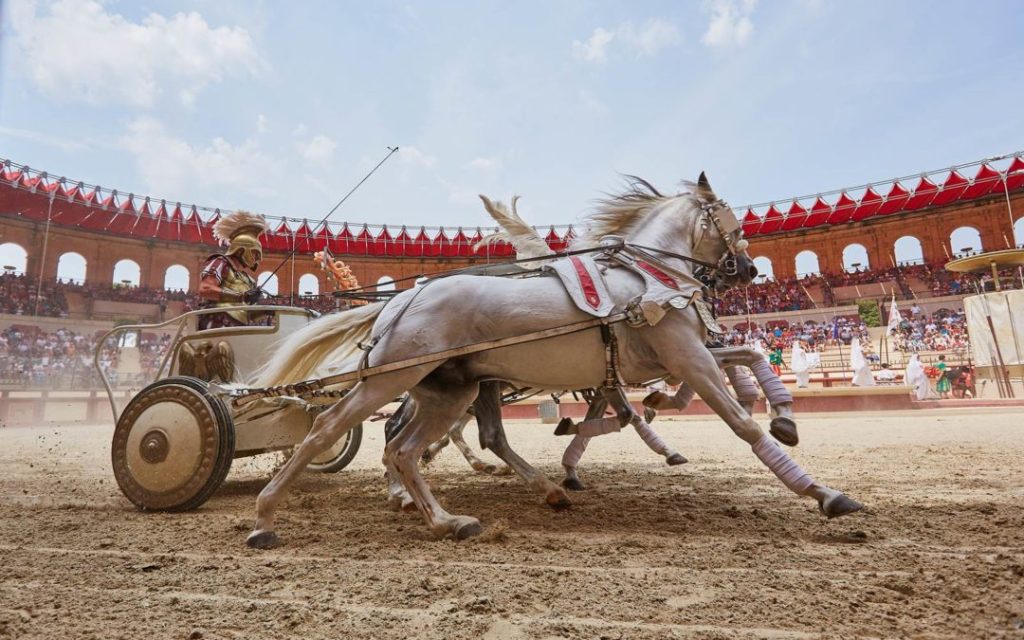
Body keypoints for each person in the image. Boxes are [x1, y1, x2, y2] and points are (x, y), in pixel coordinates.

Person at [197, 210, 271, 330]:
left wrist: (269, 310)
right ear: (241, 250)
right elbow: (206, 289)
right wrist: (241, 296)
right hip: (216, 323)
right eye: (255, 254)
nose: (257, 260)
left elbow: (250, 313)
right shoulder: (221, 262)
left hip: (239, 328)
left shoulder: (249, 280)